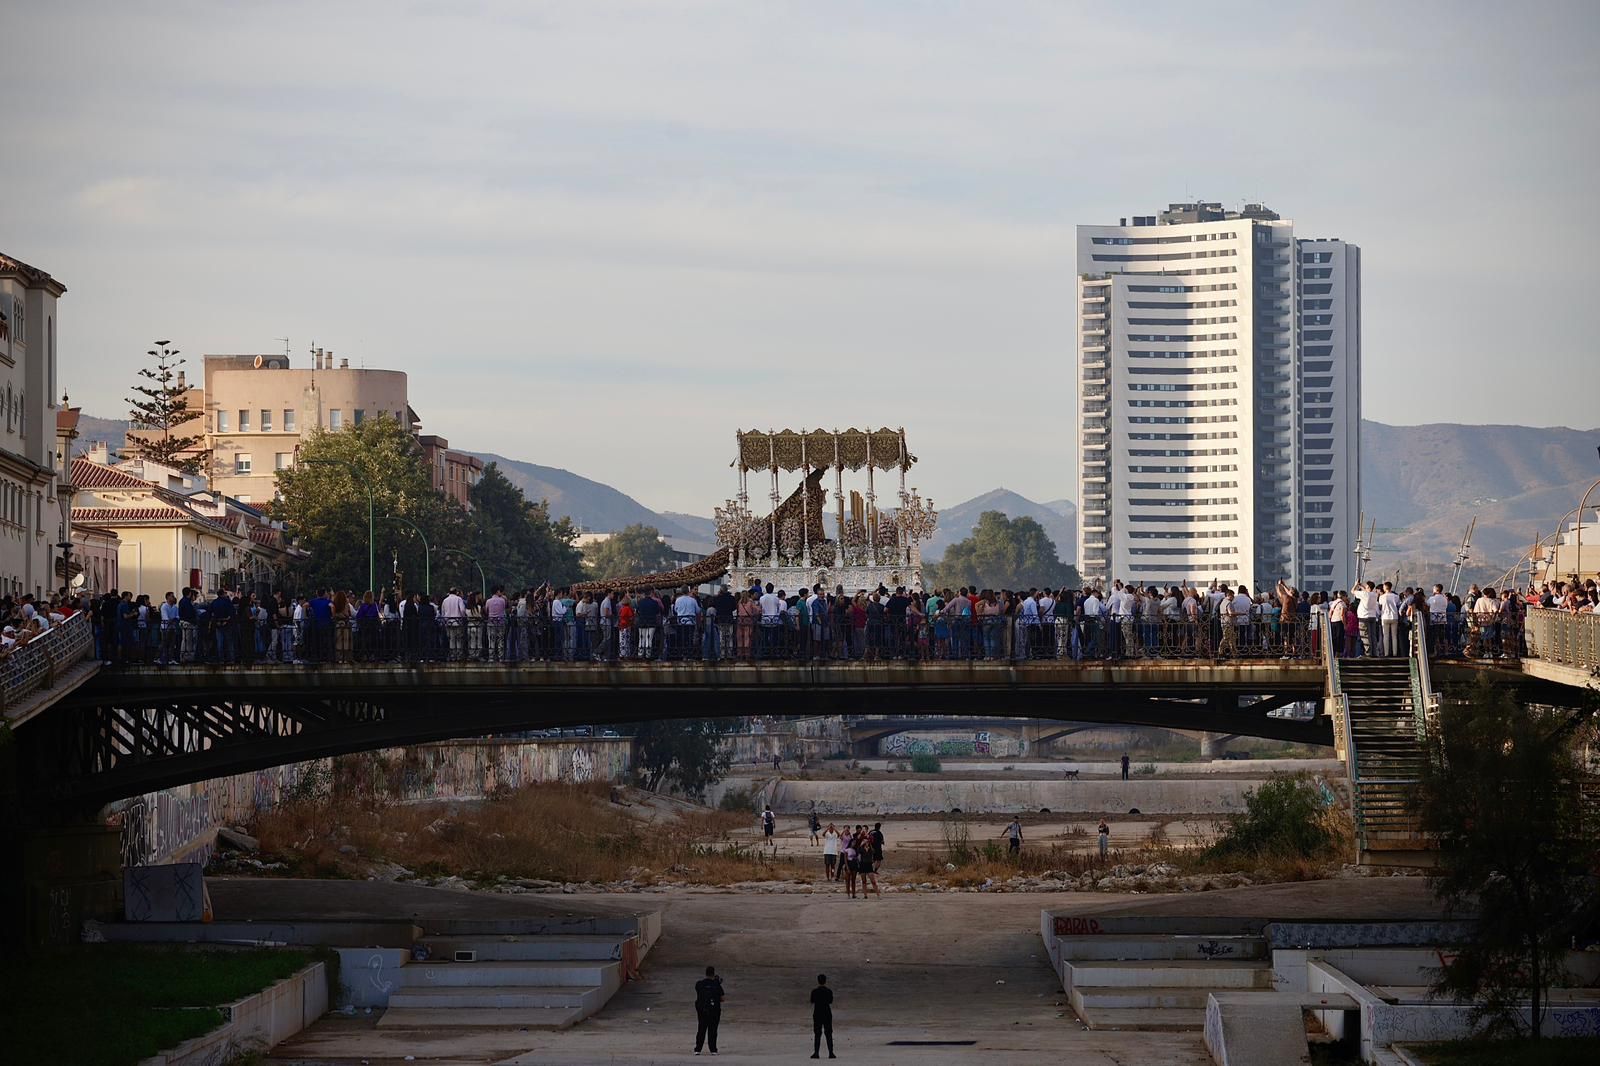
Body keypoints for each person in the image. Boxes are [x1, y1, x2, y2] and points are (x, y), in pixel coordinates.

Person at [694, 965, 724, 1055]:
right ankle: (713, 1050)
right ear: (713, 973)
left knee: (701, 1030)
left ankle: (698, 1049)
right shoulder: (716, 985)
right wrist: (717, 983)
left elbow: (698, 992)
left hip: (702, 1011)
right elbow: (722, 998)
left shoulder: (699, 984)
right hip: (714, 1011)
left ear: (706, 973)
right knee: (713, 1030)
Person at [810, 974, 835, 1059]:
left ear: (818, 981)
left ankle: (816, 1053)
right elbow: (830, 1001)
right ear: (825, 981)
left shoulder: (814, 991)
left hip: (817, 1013)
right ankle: (831, 1053)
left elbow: (812, 1001)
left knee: (817, 1033)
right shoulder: (829, 991)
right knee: (828, 1033)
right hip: (827, 1013)